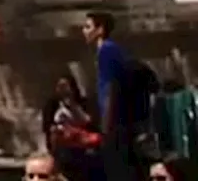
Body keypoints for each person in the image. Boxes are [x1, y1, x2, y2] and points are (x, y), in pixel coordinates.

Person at [84, 10, 154, 181]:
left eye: (88, 27)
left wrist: (106, 126)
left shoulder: (106, 51)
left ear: (100, 29)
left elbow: (110, 89)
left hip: (116, 124)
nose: (84, 31)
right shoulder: (112, 50)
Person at [42, 73, 99, 181]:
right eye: (60, 86)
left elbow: (88, 122)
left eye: (66, 86)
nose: (63, 90)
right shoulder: (52, 105)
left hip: (82, 151)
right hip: (61, 151)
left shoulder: (82, 103)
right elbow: (47, 127)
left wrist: (72, 105)